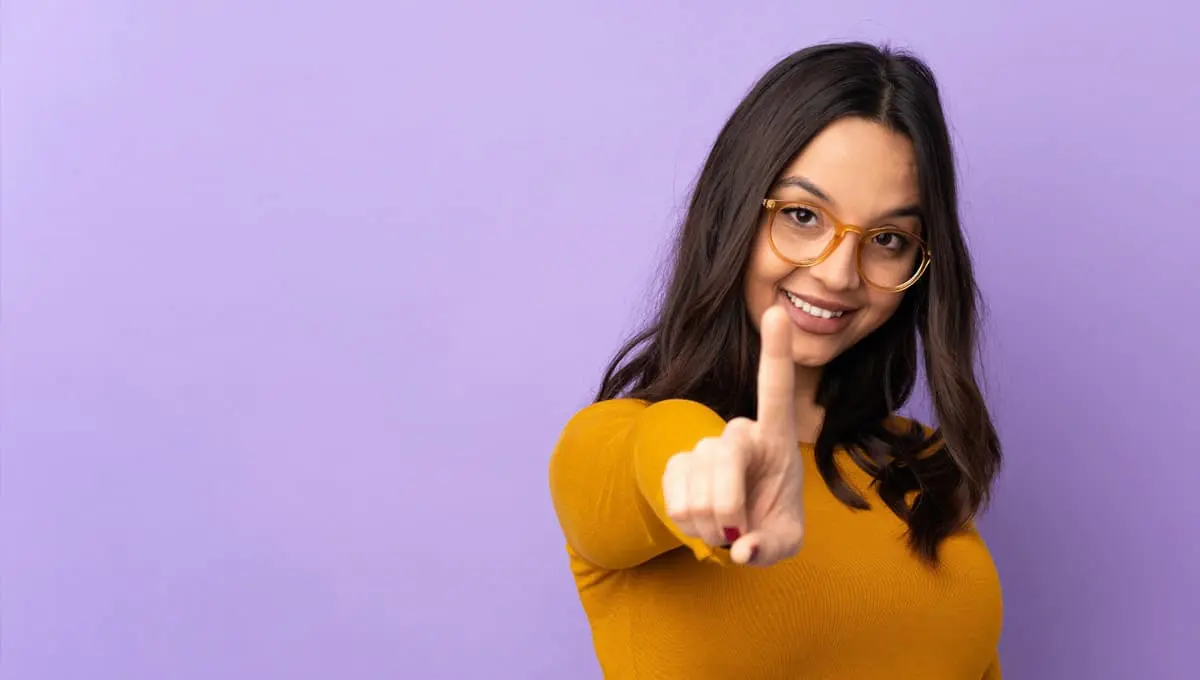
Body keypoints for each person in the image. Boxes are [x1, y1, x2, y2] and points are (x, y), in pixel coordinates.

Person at [547, 42, 1004, 679]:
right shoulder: (613, 444)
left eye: (889, 239)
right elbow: (661, 455)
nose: (840, 272)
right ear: (733, 214)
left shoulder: (921, 467)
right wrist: (716, 476)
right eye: (801, 215)